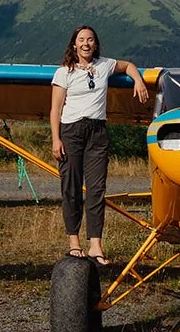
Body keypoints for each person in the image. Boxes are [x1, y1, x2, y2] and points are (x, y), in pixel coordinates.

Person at [50, 25, 149, 265]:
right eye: (81, 40)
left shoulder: (105, 65)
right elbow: (55, 109)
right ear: (74, 45)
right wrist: (56, 139)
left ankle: (96, 246)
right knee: (71, 187)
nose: (86, 43)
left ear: (95, 44)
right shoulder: (63, 72)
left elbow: (128, 66)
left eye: (90, 39)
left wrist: (138, 80)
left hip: (97, 132)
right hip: (71, 132)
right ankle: (74, 242)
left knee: (96, 189)